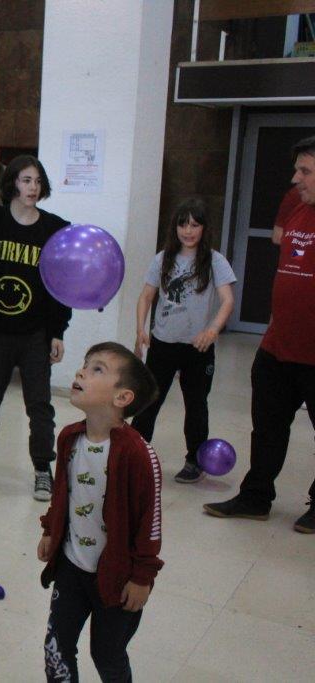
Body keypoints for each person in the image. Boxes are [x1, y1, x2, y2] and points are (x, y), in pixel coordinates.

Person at [204, 136, 315, 534]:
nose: (295, 178)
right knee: (267, 427)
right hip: (277, 346)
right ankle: (255, 497)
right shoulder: (297, 206)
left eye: (305, 171)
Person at [38, 342, 162, 682]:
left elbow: (150, 522)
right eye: (85, 364)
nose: (81, 372)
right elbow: (62, 493)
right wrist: (50, 529)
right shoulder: (69, 438)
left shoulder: (138, 455)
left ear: (122, 397)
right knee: (56, 647)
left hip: (118, 577)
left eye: (97, 369)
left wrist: (142, 577)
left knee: (106, 654)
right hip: (71, 566)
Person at [0, 155, 72, 501]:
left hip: (36, 333)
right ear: (12, 183)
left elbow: (62, 285)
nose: (33, 188)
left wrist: (58, 331)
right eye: (26, 180)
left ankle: (42, 468)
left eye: (37, 181)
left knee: (39, 405)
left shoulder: (55, 229)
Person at [132, 199, 236, 483]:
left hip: (198, 348)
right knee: (149, 400)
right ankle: (135, 454)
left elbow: (227, 300)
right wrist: (140, 328)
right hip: (163, 343)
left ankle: (194, 460)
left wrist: (212, 330)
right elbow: (146, 296)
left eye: (194, 225)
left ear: (204, 228)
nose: (188, 231)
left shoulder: (215, 261)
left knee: (196, 403)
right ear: (175, 227)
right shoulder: (162, 258)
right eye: (183, 224)